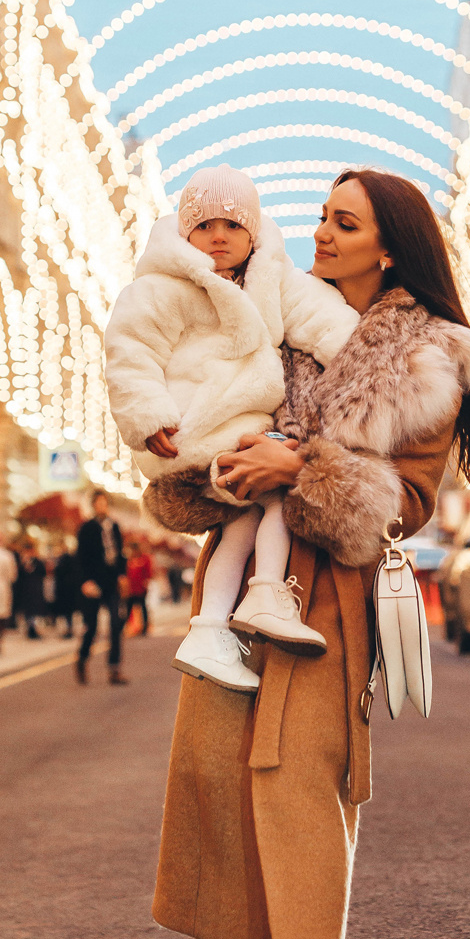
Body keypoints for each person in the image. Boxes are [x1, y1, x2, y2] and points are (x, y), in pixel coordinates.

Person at [143, 168, 470, 939]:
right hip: (232, 601)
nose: (319, 230)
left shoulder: (431, 355)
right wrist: (209, 458)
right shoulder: (272, 320)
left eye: (343, 220)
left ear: (389, 248)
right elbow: (198, 420)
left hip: (329, 603)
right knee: (229, 793)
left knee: (294, 796)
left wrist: (303, 470)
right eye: (317, 215)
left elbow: (408, 502)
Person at [104, 164, 358, 694]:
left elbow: (318, 316)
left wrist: (357, 357)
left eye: (233, 226)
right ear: (184, 233)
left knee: (243, 522)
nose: (218, 236)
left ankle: (211, 628)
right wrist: (146, 412)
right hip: (188, 427)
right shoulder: (159, 288)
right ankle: (265, 594)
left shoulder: (273, 277)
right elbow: (131, 352)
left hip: (239, 427)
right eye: (204, 226)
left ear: (253, 233)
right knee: (275, 495)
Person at [75, 490, 128, 685]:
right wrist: (85, 581)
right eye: (98, 503)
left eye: (105, 503)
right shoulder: (86, 528)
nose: (102, 506)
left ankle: (114, 669)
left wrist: (122, 575)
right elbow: (80, 558)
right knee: (92, 626)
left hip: (111, 582)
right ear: (93, 505)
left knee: (116, 623)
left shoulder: (114, 526)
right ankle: (82, 658)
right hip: (93, 583)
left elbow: (121, 553)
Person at [12, 540, 46, 639]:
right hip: (25, 591)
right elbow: (17, 577)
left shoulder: (38, 562)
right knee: (28, 612)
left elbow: (43, 572)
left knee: (35, 612)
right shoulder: (20, 563)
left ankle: (34, 629)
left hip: (35, 589)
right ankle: (30, 629)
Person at [123, 535, 153, 636]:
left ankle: (144, 627)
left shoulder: (144, 558)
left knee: (142, 607)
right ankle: (127, 627)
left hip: (140, 587)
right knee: (128, 608)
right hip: (131, 588)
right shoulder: (128, 559)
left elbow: (148, 572)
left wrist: (147, 582)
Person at [53, 537, 81, 638]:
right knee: (68, 613)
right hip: (70, 590)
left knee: (66, 613)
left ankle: (68, 629)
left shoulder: (63, 560)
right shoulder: (72, 560)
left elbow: (58, 574)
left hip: (64, 590)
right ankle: (69, 628)